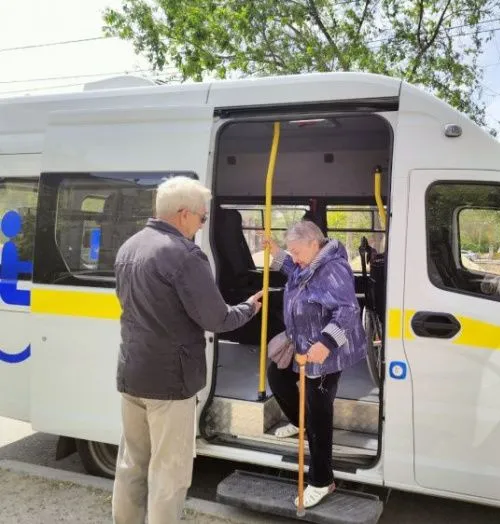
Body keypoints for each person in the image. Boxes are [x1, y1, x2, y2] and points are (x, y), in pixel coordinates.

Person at [112, 176, 262, 524]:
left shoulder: (129, 247)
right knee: (170, 473)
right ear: (183, 215)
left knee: (132, 464)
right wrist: (249, 308)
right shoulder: (184, 255)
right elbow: (217, 318)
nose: (201, 224)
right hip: (171, 383)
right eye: (202, 217)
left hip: (132, 372)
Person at [265, 221, 366, 509]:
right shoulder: (309, 262)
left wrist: (326, 343)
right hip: (302, 344)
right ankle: (300, 422)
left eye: (297, 251)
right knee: (278, 375)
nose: (294, 257)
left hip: (325, 352)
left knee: (319, 412)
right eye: (291, 253)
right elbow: (296, 271)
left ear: (314, 244)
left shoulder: (333, 269)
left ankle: (322, 480)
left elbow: (347, 311)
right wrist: (278, 254)